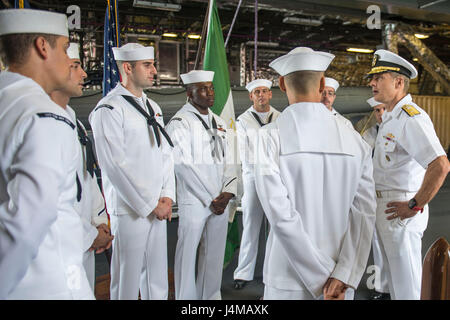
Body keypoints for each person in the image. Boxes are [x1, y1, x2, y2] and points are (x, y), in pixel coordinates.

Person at [255, 47, 376, 300]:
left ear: (281, 84)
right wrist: (341, 275)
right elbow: (364, 213)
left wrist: (318, 277)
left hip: (288, 276)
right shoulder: (355, 141)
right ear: (322, 84)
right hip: (339, 283)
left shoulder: (269, 139)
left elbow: (280, 217)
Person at [0, 9, 94, 299]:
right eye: (66, 49)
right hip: (47, 282)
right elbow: (28, 221)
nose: (69, 62)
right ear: (43, 46)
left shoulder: (7, 103)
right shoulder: (43, 115)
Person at [89, 43, 175, 300]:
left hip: (159, 205)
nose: (154, 70)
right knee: (126, 280)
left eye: (153, 64)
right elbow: (114, 165)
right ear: (127, 68)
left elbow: (166, 154)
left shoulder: (153, 107)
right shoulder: (109, 110)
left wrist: (167, 195)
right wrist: (151, 203)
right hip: (130, 208)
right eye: (147, 65)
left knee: (157, 277)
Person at [367, 49, 450, 300]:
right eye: (372, 78)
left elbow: (441, 165)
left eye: (379, 78)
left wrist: (414, 205)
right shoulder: (391, 118)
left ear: (399, 82)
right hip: (387, 206)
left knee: (408, 284)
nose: (372, 83)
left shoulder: (410, 118)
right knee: (396, 282)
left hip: (400, 209)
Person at [165, 70, 237, 300]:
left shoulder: (218, 121)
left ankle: (210, 297)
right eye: (203, 89)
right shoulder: (179, 123)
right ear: (189, 93)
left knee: (214, 255)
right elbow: (184, 166)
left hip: (220, 200)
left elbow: (229, 158)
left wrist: (227, 192)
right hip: (196, 200)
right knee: (187, 254)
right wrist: (212, 198)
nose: (210, 93)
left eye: (211, 88)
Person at [49, 42, 113, 291]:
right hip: (58, 246)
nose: (84, 74)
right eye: (75, 66)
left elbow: (85, 175)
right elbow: (47, 199)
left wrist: (99, 221)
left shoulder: (70, 117)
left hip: (83, 237)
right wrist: (88, 234)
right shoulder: (40, 122)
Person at [233, 79, 280, 290]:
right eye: (257, 92)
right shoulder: (243, 120)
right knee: (251, 224)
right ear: (251, 96)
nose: (261, 95)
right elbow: (246, 153)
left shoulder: (281, 118)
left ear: (270, 94)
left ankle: (274, 272)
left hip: (277, 177)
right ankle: (243, 273)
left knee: (278, 225)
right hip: (253, 176)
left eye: (265, 91)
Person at [361, 97, 390, 300]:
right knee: (377, 242)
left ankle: (396, 286)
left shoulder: (398, 131)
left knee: (395, 244)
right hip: (373, 193)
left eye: (383, 109)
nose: (381, 114)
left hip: (393, 194)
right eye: (377, 111)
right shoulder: (369, 134)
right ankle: (382, 287)